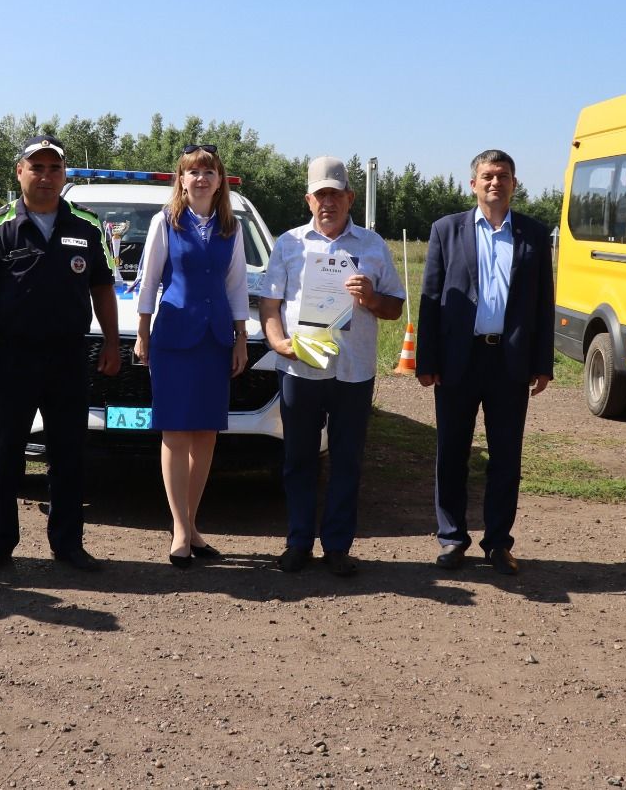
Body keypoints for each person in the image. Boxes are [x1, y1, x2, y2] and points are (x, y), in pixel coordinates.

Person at [0, 135, 120, 573]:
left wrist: (109, 341)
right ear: (20, 172)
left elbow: (104, 287)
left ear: (64, 175)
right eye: (37, 167)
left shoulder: (88, 225)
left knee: (68, 453)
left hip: (69, 358)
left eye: (54, 169)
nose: (46, 176)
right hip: (10, 358)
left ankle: (68, 543)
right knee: (6, 452)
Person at [260, 156, 405, 576]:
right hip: (300, 369)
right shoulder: (288, 243)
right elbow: (270, 303)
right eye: (320, 194)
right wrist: (277, 342)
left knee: (347, 460)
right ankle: (298, 542)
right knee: (299, 459)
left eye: (335, 194)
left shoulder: (372, 246)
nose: (328, 202)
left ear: (350, 198)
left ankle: (338, 547)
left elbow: (394, 307)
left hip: (353, 371)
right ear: (309, 199)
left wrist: (371, 298)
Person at [416, 149, 555, 576]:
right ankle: (453, 539)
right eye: (487, 176)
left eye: (504, 176)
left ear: (515, 184)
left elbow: (543, 304)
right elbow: (431, 300)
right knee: (451, 453)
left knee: (506, 457)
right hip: (459, 360)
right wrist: (427, 359)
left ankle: (497, 542)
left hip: (509, 362)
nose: (495, 182)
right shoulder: (446, 230)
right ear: (473, 183)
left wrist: (542, 362)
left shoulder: (533, 233)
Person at [132, 144, 250, 568]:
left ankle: (192, 525)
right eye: (193, 172)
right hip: (175, 338)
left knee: (206, 435)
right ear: (180, 180)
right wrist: (142, 333)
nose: (201, 179)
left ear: (220, 181)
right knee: (175, 433)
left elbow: (236, 286)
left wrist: (240, 337)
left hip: (215, 339)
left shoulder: (231, 227)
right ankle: (180, 529)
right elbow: (148, 283)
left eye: (208, 172)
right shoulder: (165, 222)